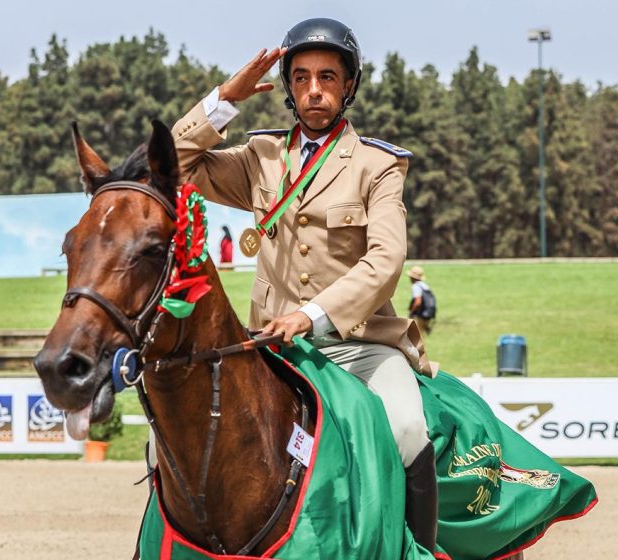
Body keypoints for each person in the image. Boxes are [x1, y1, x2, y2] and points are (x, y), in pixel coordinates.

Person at [171, 18, 437, 551]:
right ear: (289, 89)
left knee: (409, 431)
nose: (314, 89)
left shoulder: (378, 165)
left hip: (358, 346)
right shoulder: (260, 157)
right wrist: (225, 99)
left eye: (328, 77)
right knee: (173, 445)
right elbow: (173, 165)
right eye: (301, 78)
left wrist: (312, 314)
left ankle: (417, 551)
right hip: (269, 347)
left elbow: (388, 259)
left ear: (349, 86)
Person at [408, 265, 436, 335]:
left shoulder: (416, 286)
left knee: (418, 337)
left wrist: (411, 312)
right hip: (427, 315)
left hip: (419, 315)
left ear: (412, 277)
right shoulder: (424, 286)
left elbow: (418, 302)